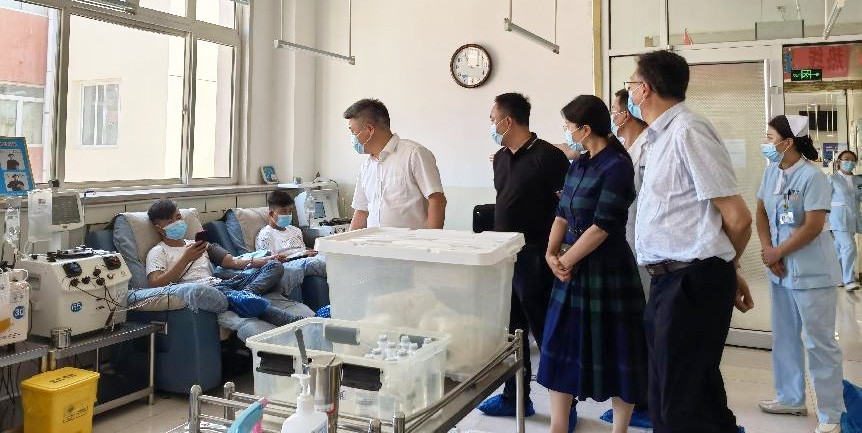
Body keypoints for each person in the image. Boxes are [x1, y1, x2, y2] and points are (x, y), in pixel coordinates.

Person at [629, 50, 755, 433]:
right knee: (693, 397)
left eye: (631, 84)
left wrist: (725, 267)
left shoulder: (688, 131)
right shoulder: (658, 139)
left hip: (691, 283)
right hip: (671, 280)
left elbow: (738, 217)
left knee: (676, 409)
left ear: (645, 89)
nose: (629, 92)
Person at [539, 94, 648, 433]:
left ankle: (620, 428)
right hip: (570, 269)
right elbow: (561, 213)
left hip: (607, 269)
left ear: (585, 129)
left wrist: (565, 261)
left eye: (569, 126)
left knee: (618, 349)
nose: (566, 132)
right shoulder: (579, 164)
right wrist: (551, 254)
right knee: (559, 344)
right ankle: (558, 426)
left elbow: (602, 226)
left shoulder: (617, 165)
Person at [477, 93, 570, 421]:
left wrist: (560, 250)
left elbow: (567, 207)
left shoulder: (549, 157)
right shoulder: (500, 159)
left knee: (546, 331)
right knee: (511, 332)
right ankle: (515, 396)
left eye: (493, 119)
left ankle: (565, 405)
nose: (491, 125)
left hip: (537, 257)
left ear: (508, 121)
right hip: (506, 256)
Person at [756, 114, 845, 433]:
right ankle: (790, 398)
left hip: (812, 274)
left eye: (770, 138)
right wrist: (769, 250)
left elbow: (813, 225)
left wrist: (778, 252)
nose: (766, 143)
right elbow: (761, 212)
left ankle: (831, 415)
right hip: (780, 271)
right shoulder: (771, 172)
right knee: (784, 337)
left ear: (788, 142)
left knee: (820, 343)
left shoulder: (812, 176)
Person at [142, 199, 314, 341]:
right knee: (239, 296)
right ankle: (295, 322)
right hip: (207, 290)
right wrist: (185, 258)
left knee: (275, 267)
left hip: (226, 282)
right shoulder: (158, 251)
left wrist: (268, 259)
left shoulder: (199, 244)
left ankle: (246, 294)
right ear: (158, 228)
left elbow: (232, 262)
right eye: (170, 221)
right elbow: (155, 283)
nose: (178, 223)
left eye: (178, 217)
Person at [599, 89, 652, 430]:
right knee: (632, 327)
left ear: (627, 113)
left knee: (644, 326)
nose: (612, 115)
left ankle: (645, 401)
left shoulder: (650, 146)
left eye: (615, 109)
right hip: (627, 244)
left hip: (647, 247)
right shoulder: (623, 149)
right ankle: (634, 398)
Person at [344, 98, 446, 230]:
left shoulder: (414, 154)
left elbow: (437, 200)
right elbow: (361, 211)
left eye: (353, 132)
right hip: (373, 242)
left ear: (369, 129)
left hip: (410, 242)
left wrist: (431, 240)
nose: (353, 138)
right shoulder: (366, 166)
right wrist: (348, 240)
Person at [256, 190, 327, 294]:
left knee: (331, 258)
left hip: (305, 260)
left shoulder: (295, 230)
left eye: (290, 211)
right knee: (315, 263)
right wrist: (301, 256)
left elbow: (308, 246)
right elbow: (270, 264)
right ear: (271, 214)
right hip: (286, 266)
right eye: (284, 211)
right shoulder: (266, 235)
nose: (288, 215)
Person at [829, 150, 862, 291]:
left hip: (853, 218)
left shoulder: (858, 180)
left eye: (852, 160)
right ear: (839, 161)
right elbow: (823, 199)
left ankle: (837, 277)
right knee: (849, 246)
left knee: (839, 248)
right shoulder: (832, 179)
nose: (850, 162)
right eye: (846, 159)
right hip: (837, 218)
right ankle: (849, 280)